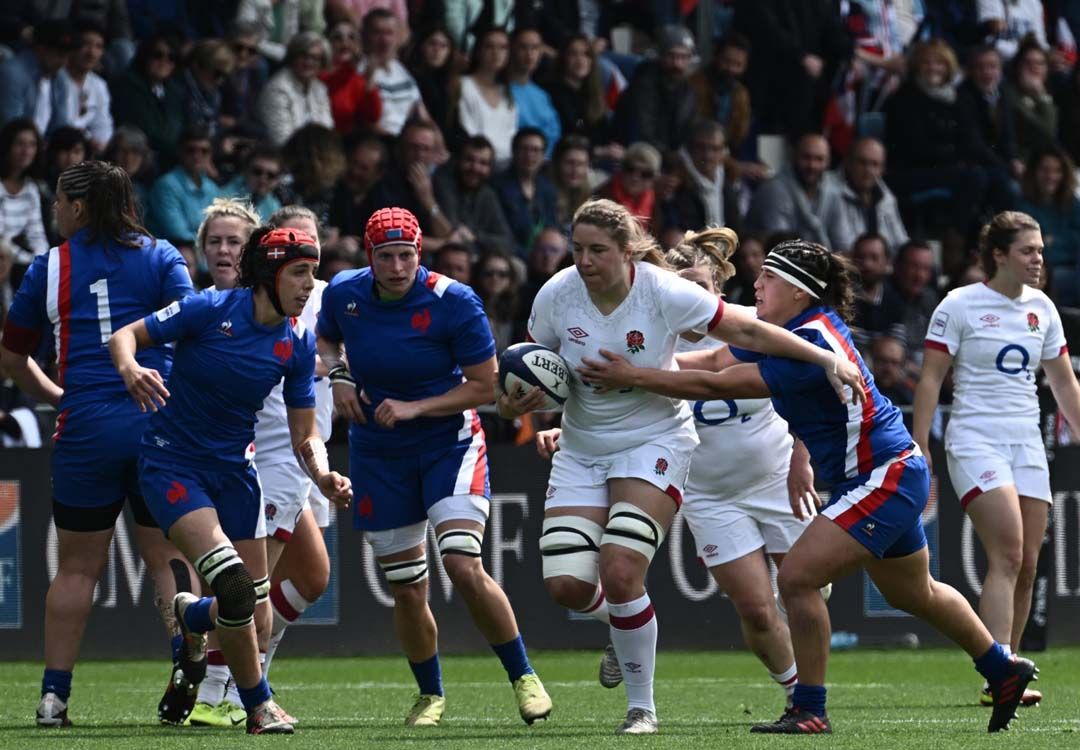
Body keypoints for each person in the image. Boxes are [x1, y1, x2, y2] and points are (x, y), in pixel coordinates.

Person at [575, 236, 1038, 735]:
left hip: (882, 476)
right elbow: (709, 362)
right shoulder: (793, 329)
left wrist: (635, 377)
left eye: (768, 278)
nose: (755, 283)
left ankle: (810, 708)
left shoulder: (808, 342)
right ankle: (1001, 668)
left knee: (797, 578)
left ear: (798, 290)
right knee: (917, 593)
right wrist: (630, 368)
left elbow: (714, 385)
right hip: (884, 474)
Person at [497, 199, 865, 735]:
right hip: (584, 446)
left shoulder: (663, 292)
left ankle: (641, 708)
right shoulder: (557, 294)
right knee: (567, 586)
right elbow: (530, 368)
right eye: (577, 248)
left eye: (597, 250)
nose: (584, 260)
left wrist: (825, 357)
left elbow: (755, 333)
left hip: (656, 440)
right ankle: (623, 621)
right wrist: (515, 404)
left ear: (628, 252)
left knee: (623, 570)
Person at [108, 224, 351, 735]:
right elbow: (124, 335)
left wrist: (324, 475)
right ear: (268, 273)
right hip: (173, 465)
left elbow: (304, 434)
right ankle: (259, 707)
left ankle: (194, 618)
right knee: (237, 585)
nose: (310, 286)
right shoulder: (210, 308)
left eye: (314, 273)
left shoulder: (297, 344)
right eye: (300, 273)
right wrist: (130, 368)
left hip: (237, 476)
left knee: (254, 613)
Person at [316, 206, 552, 728]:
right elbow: (326, 339)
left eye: (406, 256)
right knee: (406, 588)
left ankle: (523, 676)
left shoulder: (454, 301)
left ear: (420, 254)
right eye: (385, 256)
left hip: (449, 443)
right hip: (378, 453)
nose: (397, 267)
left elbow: (486, 385)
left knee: (463, 564)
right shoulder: (343, 294)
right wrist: (338, 375)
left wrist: (414, 408)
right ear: (368, 255)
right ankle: (430, 695)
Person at [0, 161, 199, 727]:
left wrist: (62, 396)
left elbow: (12, 357)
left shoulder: (50, 265)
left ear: (80, 208)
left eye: (60, 201)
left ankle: (52, 699)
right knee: (167, 557)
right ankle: (185, 657)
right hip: (156, 420)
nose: (54, 211)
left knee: (77, 570)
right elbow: (193, 328)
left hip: (86, 427)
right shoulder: (163, 257)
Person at [914, 211, 1080, 709]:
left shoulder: (1043, 309)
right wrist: (919, 447)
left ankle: (1003, 673)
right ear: (999, 255)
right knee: (1007, 552)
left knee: (1027, 564)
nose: (1039, 260)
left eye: (1041, 251)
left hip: (1026, 442)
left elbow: (1064, 383)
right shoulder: (959, 305)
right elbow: (929, 379)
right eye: (1028, 251)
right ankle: (999, 673)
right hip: (974, 440)